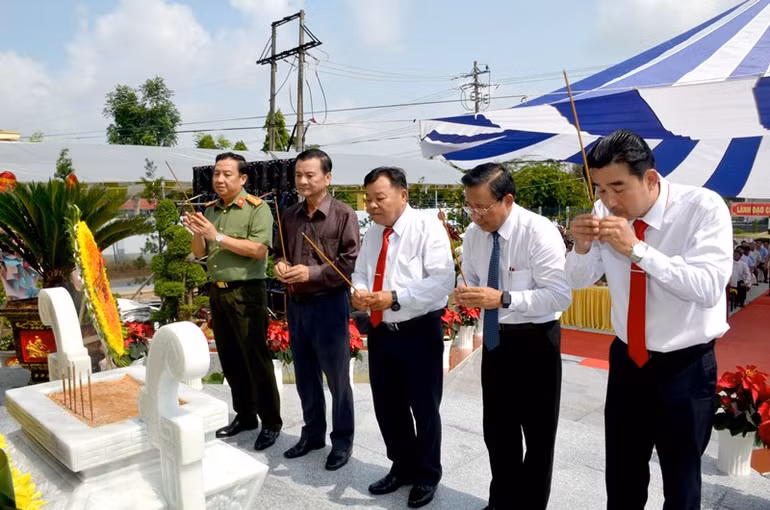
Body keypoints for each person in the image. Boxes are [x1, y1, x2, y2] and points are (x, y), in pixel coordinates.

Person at [567, 130, 732, 510]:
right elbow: (576, 279)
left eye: (618, 188)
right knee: (622, 474)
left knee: (681, 478)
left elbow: (707, 287)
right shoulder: (603, 211)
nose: (608, 200)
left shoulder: (702, 208)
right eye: (600, 189)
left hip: (684, 365)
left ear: (651, 178)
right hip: (628, 360)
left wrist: (637, 249)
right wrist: (581, 245)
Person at [453, 163, 572, 510]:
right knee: (498, 430)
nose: (475, 215)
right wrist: (466, 292)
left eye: (482, 207)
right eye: (469, 206)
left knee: (537, 434)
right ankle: (501, 501)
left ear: (507, 199)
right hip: (495, 339)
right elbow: (473, 280)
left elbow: (559, 295)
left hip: (537, 340)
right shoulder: (474, 235)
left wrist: (503, 297)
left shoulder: (538, 231)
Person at [351, 167, 454, 508]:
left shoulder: (428, 228)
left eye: (379, 198)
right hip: (382, 332)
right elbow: (362, 271)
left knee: (424, 408)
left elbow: (441, 282)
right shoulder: (373, 233)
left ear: (403, 195)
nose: (372, 206)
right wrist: (361, 292)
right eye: (368, 200)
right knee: (388, 406)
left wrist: (394, 297)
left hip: (418, 330)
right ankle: (401, 466)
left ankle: (427, 474)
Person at [183, 152, 282, 451]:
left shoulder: (257, 208)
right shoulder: (210, 209)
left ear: (242, 178)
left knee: (255, 357)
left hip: (246, 291)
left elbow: (258, 250)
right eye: (216, 174)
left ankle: (271, 421)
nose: (220, 179)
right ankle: (245, 415)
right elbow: (200, 254)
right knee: (230, 357)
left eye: (227, 174)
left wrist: (218, 235)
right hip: (217, 290)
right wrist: (198, 232)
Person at [273, 149, 360, 471]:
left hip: (329, 304)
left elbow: (350, 262)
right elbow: (279, 252)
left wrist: (311, 273)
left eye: (310, 175)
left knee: (337, 378)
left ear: (327, 178)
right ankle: (312, 435)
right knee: (305, 375)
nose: (303, 181)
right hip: (297, 305)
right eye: (299, 175)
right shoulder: (290, 214)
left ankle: (342, 442)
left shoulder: (343, 214)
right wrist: (281, 266)